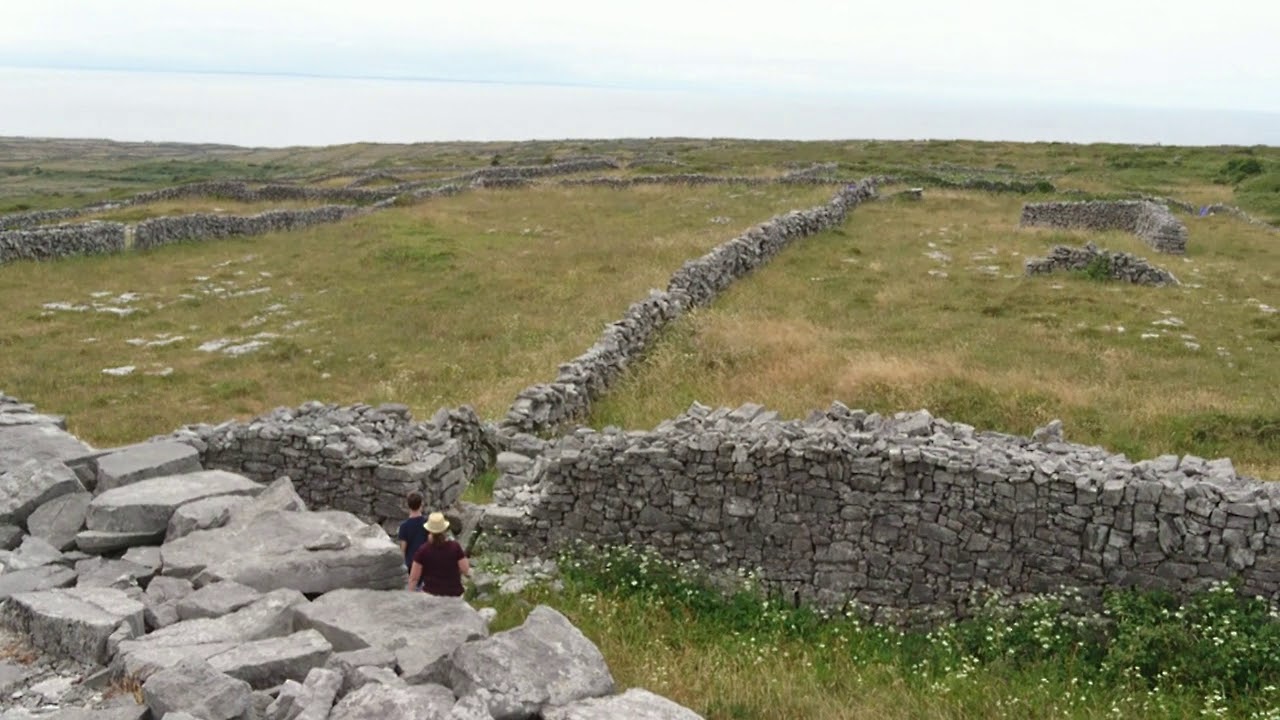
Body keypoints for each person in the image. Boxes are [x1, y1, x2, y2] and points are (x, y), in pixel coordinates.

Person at [407, 511, 470, 597]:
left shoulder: (423, 550)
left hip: (431, 594)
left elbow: (414, 578)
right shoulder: (455, 547)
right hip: (454, 594)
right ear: (444, 529)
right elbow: (465, 569)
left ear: (429, 530)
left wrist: (410, 597)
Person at [397, 493, 427, 574]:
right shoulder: (426, 523)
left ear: (408, 506)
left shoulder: (404, 526)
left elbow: (403, 549)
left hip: (411, 564)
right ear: (421, 505)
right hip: (425, 561)